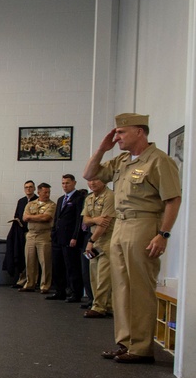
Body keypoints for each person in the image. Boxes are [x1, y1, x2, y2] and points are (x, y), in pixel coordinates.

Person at [83, 113, 181, 364]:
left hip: (144, 224)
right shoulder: (122, 161)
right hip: (121, 224)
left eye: (121, 133)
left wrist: (163, 234)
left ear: (140, 132)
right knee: (122, 289)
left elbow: (172, 199)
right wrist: (102, 149)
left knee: (139, 288)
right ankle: (126, 343)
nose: (117, 138)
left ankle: (142, 347)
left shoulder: (159, 161)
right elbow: (89, 173)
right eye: (115, 134)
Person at [51, 174, 87, 303]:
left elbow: (79, 219)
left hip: (70, 238)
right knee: (57, 265)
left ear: (74, 183)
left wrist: (75, 237)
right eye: (63, 183)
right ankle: (59, 291)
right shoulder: (61, 199)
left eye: (67, 183)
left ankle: (75, 292)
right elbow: (57, 218)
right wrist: (53, 233)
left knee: (72, 266)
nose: (65, 186)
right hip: (58, 237)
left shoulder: (79, 198)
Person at [81, 178, 114, 318]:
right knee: (93, 274)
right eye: (90, 180)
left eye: (96, 180)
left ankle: (99, 307)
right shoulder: (89, 198)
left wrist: (91, 241)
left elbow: (105, 223)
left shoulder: (110, 197)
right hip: (94, 239)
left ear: (104, 181)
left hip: (107, 239)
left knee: (104, 275)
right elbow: (85, 220)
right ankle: (103, 304)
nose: (92, 183)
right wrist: (95, 219)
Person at [19, 183, 56, 294]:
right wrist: (35, 217)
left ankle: (45, 285)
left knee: (45, 262)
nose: (47, 194)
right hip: (31, 235)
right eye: (45, 192)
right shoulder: (30, 204)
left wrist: (32, 217)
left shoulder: (52, 205)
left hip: (44, 235)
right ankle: (30, 283)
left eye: (48, 192)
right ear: (39, 192)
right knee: (29, 260)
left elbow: (46, 217)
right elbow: (25, 217)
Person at [4, 181, 37, 288]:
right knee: (22, 256)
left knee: (32, 258)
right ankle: (22, 279)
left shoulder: (37, 201)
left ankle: (33, 280)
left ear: (34, 188)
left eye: (30, 187)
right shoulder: (21, 201)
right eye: (26, 187)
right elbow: (17, 215)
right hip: (21, 232)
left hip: (32, 232)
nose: (28, 189)